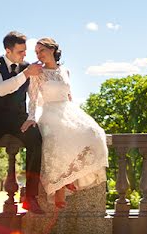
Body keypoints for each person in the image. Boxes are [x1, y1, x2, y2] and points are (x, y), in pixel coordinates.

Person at [21, 37, 108, 208]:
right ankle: (59, 189)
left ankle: (70, 175)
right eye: (36, 52)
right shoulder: (37, 72)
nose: (39, 54)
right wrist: (31, 118)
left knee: (93, 133)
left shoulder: (65, 71)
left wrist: (76, 117)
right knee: (58, 138)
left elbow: (69, 95)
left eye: (42, 50)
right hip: (49, 112)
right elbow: (32, 98)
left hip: (67, 109)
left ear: (52, 50)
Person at [0, 31, 44, 228]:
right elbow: (0, 89)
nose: (24, 55)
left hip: (18, 119)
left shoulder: (27, 67)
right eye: (20, 51)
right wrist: (25, 74)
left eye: (25, 51)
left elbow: (34, 96)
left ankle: (30, 196)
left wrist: (32, 118)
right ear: (8, 50)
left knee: (36, 141)